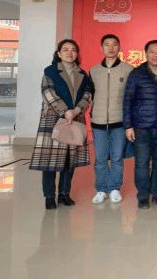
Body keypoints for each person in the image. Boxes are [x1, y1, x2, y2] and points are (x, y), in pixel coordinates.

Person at [29, 39, 92, 210]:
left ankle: (64, 194)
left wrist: (77, 110)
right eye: (65, 49)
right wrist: (65, 111)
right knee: (50, 161)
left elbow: (87, 95)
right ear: (58, 53)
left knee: (69, 161)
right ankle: (49, 196)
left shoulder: (83, 74)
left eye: (73, 49)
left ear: (77, 54)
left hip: (75, 119)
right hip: (54, 119)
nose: (70, 52)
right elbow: (47, 92)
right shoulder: (50, 72)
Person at [123, 39, 157, 209]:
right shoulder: (137, 74)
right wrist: (128, 126)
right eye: (152, 51)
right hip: (141, 128)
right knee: (142, 163)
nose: (155, 55)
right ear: (146, 54)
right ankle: (143, 196)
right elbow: (127, 101)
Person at [89, 34, 134, 204]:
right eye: (107, 45)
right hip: (98, 122)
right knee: (100, 159)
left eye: (114, 44)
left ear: (119, 47)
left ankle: (115, 188)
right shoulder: (94, 70)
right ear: (101, 48)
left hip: (119, 122)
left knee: (116, 158)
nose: (111, 48)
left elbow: (132, 97)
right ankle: (101, 189)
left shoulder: (128, 69)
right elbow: (90, 94)